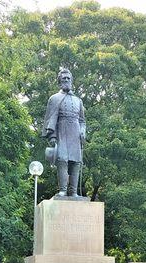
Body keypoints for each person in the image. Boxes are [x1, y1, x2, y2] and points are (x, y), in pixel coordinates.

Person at [42, 68, 86, 197]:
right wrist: (52, 136)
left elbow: (82, 121)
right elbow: (50, 118)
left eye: (68, 78)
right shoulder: (54, 98)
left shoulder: (78, 101)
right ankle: (62, 189)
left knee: (76, 162)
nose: (66, 80)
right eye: (63, 78)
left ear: (71, 81)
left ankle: (73, 191)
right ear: (59, 81)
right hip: (62, 131)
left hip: (75, 133)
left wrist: (83, 131)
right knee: (62, 160)